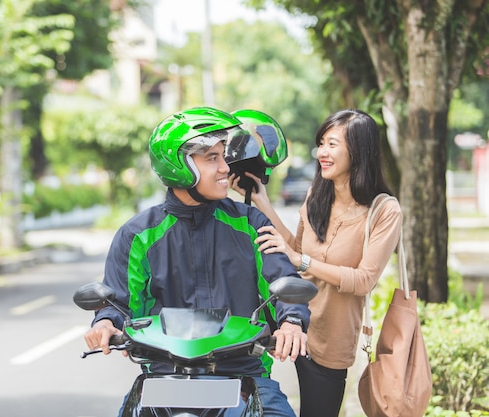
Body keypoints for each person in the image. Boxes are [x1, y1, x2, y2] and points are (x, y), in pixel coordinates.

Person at [83, 106, 312, 417]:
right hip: (164, 376)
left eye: (223, 156)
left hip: (242, 372)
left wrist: (292, 322)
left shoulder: (250, 223)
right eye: (212, 159)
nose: (224, 168)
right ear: (180, 165)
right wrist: (106, 323)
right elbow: (117, 298)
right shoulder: (138, 235)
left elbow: (280, 281)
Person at [229, 109, 402, 417]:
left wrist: (301, 259)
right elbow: (295, 249)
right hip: (290, 322)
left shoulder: (384, 210)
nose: (322, 152)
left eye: (332, 144)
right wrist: (261, 201)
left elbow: (364, 280)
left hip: (330, 339)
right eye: (321, 143)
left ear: (359, 150)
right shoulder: (317, 194)